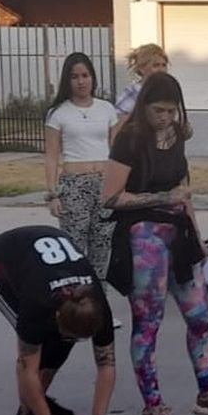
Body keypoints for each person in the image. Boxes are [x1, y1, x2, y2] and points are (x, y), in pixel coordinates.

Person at [103, 71, 208, 415]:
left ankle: (207, 391)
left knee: (200, 315)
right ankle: (153, 405)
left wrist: (197, 235)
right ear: (144, 107)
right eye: (158, 111)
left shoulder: (177, 135)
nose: (165, 117)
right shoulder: (129, 140)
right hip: (143, 236)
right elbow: (110, 197)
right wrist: (161, 199)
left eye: (171, 111)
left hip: (179, 234)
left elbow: (184, 188)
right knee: (148, 323)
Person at [0, 224, 116, 415]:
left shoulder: (98, 306)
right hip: (0, 261)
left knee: (61, 344)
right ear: (57, 314)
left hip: (45, 264)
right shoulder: (36, 305)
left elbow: (107, 365)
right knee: (34, 349)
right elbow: (28, 367)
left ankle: (38, 400)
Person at [44, 51, 120, 275]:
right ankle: (76, 298)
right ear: (67, 80)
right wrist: (52, 194)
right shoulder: (58, 113)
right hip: (74, 186)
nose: (81, 81)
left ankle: (98, 298)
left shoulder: (106, 109)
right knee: (74, 246)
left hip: (104, 185)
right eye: (75, 76)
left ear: (93, 78)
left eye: (85, 75)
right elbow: (51, 156)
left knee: (102, 245)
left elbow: (116, 151)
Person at [114, 43, 169, 116]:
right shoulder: (134, 92)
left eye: (164, 65)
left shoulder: (168, 90)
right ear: (142, 69)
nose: (161, 70)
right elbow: (119, 119)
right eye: (156, 65)